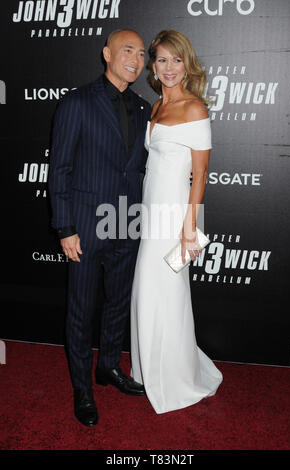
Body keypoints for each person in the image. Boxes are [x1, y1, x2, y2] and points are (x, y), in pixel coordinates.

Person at [48, 29, 152, 427]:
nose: (136, 59)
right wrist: (65, 226)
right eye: (128, 50)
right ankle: (82, 389)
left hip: (128, 221)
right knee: (81, 309)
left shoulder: (144, 108)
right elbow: (59, 169)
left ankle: (108, 366)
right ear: (107, 53)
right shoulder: (77, 101)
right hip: (86, 227)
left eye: (142, 54)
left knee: (117, 303)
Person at [130, 30, 223, 414]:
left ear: (187, 64)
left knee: (166, 293)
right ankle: (147, 368)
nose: (169, 68)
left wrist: (189, 227)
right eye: (162, 60)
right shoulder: (155, 108)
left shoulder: (194, 108)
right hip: (151, 211)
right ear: (153, 65)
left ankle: (175, 376)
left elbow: (200, 174)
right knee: (146, 292)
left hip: (175, 217)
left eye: (176, 60)